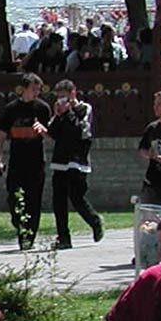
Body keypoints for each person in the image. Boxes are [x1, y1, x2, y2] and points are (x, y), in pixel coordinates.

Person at [0, 73, 50, 251]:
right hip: (17, 161)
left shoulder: (43, 108)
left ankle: (28, 238)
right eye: (33, 89)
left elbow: (51, 137)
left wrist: (43, 130)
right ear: (23, 89)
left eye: (38, 90)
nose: (36, 93)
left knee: (34, 200)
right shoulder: (12, 109)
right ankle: (19, 225)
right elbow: (1, 135)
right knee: (14, 197)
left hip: (36, 162)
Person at [47, 79, 103, 250]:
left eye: (64, 96)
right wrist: (58, 115)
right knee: (59, 201)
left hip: (77, 161)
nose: (62, 100)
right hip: (60, 161)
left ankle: (94, 221)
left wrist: (70, 111)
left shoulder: (84, 109)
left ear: (73, 94)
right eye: (59, 97)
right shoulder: (60, 113)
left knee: (77, 197)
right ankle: (63, 237)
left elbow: (82, 131)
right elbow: (53, 133)